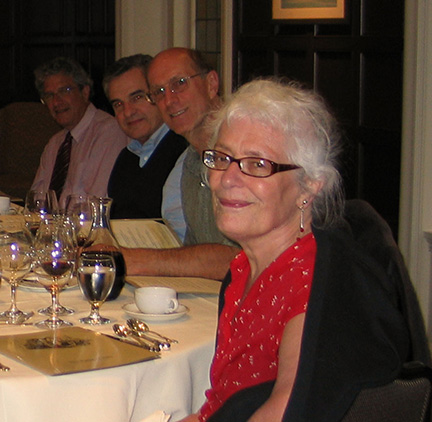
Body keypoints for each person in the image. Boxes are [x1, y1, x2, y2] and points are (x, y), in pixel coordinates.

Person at [180, 78, 427, 421]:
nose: (227, 178)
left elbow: (287, 412)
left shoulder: (318, 278)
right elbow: (225, 399)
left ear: (309, 184)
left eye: (257, 164)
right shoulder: (243, 268)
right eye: (222, 157)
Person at [122, 48, 240, 280]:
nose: (169, 100)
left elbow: (238, 260)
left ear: (211, 84)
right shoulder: (190, 162)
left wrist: (137, 259)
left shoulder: (241, 157)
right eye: (159, 92)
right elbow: (195, 249)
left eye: (179, 83)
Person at [101, 54, 188, 230]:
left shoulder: (185, 148)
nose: (128, 112)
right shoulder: (127, 157)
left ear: (157, 94)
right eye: (118, 104)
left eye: (137, 98)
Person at [28, 57, 126, 199]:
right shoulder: (55, 144)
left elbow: (97, 203)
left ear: (85, 92)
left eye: (64, 91)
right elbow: (36, 200)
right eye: (49, 95)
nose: (56, 102)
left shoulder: (108, 132)